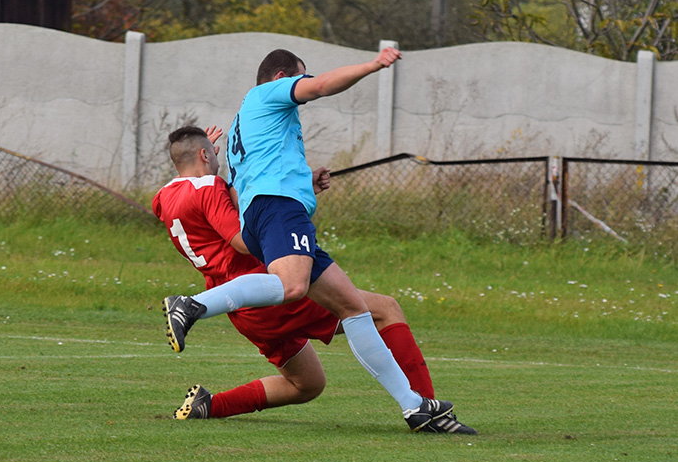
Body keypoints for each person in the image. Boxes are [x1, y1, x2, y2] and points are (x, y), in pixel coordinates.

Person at [154, 125, 476, 434]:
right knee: (384, 309)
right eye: (213, 154)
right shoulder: (209, 187)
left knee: (307, 384)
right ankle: (424, 408)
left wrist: (293, 186)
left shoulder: (164, 198)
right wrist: (281, 223)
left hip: (243, 311)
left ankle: (209, 405)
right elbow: (240, 237)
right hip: (268, 292)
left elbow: (216, 206)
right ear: (205, 154)